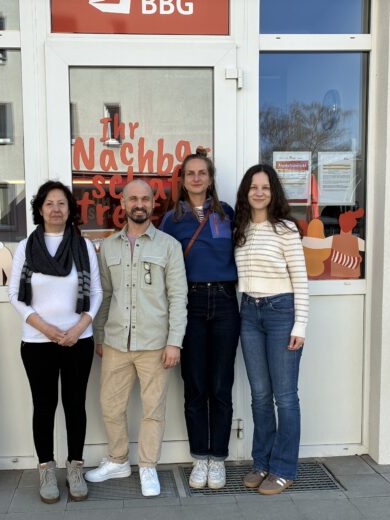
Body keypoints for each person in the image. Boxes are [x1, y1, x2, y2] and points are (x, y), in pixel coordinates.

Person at [86, 180, 188, 497]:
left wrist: (175, 341)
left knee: (152, 409)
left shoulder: (168, 246)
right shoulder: (109, 246)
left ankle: (147, 467)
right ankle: (118, 460)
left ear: (153, 204)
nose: (139, 203)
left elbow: (178, 296)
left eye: (145, 198)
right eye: (133, 198)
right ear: (124, 204)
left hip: (155, 344)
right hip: (116, 342)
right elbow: (103, 294)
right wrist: (100, 335)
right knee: (109, 406)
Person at [8, 180, 102, 504]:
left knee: (75, 405)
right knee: (44, 406)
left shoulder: (84, 246)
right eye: (49, 203)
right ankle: (46, 469)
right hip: (37, 341)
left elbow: (97, 293)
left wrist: (79, 327)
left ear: (69, 209)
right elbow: (15, 296)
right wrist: (47, 329)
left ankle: (75, 467)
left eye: (62, 203)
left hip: (79, 339)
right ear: (40, 209)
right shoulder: (26, 247)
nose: (56, 209)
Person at [159, 151, 239, 490]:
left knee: (220, 385)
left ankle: (218, 458)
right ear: (182, 179)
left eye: (202, 173)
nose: (196, 178)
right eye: (190, 173)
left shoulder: (227, 214)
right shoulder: (171, 219)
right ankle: (199, 457)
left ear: (210, 178)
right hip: (188, 302)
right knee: (194, 386)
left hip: (223, 300)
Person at [233, 164, 309, 495]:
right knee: (260, 396)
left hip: (281, 313)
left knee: (285, 397)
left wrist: (300, 324)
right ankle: (261, 463)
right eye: (253, 187)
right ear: (246, 192)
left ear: (273, 191)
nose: (259, 192)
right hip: (249, 312)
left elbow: (301, 280)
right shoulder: (241, 228)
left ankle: (283, 468)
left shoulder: (286, 229)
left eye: (265, 187)